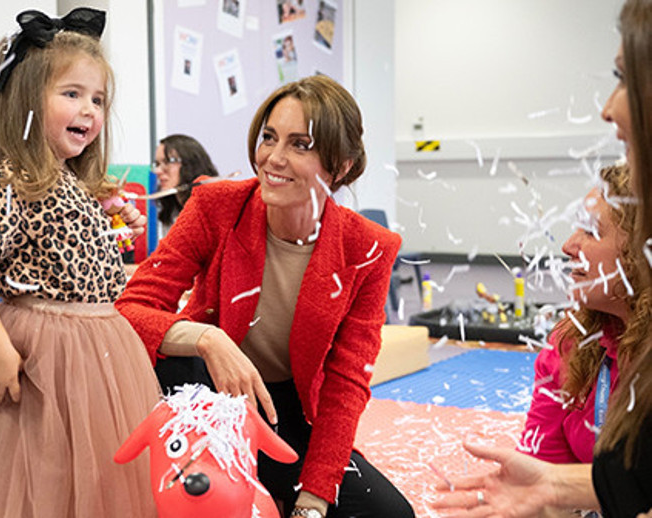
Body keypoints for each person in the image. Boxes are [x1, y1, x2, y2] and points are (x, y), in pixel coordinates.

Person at [117, 75, 414, 518]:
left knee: (390, 515)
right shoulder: (215, 206)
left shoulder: (369, 248)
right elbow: (132, 309)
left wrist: (312, 502)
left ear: (342, 166)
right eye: (269, 137)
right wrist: (207, 339)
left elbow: (347, 382)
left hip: (287, 416)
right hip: (207, 401)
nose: (273, 158)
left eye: (300, 145)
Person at [432, 1, 652, 516]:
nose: (608, 109)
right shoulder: (571, 341)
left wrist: (559, 488)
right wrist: (554, 489)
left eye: (624, 78)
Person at [0, 8, 158, 517]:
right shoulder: (9, 179)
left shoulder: (75, 184)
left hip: (99, 354)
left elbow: (83, 269)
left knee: (98, 475)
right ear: (28, 99)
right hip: (41, 353)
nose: (88, 109)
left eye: (98, 99)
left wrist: (117, 236)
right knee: (42, 473)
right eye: (71, 94)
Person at [518, 164, 649, 465]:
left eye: (590, 231)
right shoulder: (570, 343)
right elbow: (540, 468)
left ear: (641, 250)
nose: (568, 246)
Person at [153, 134, 218, 237]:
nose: (158, 171)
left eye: (167, 162)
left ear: (190, 164)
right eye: (157, 164)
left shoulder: (213, 209)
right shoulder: (172, 211)